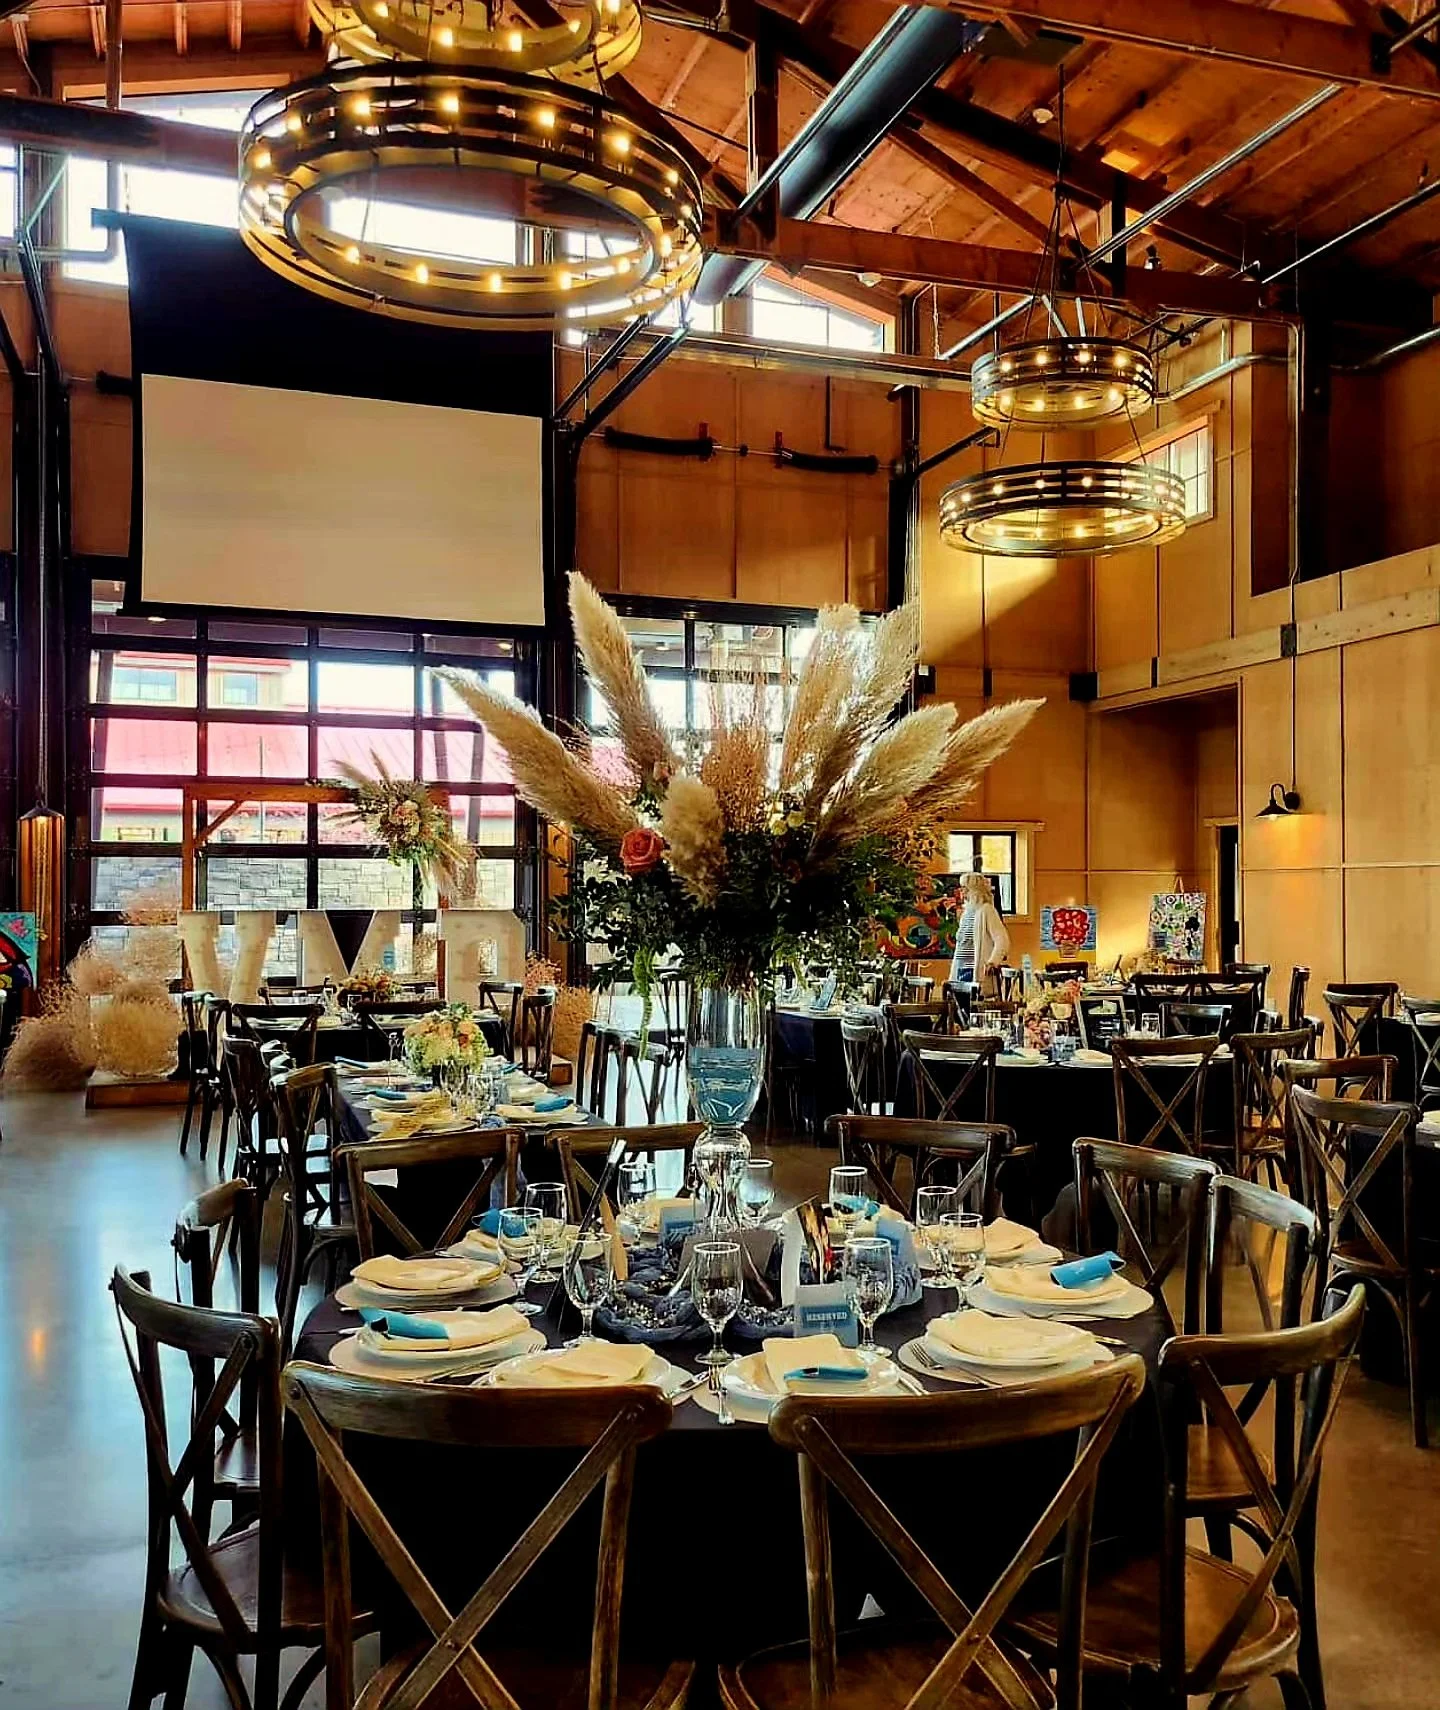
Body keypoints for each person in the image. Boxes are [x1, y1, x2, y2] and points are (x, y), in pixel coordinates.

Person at [948, 872, 1010, 986]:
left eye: (964, 888)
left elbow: (1002, 939)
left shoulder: (986, 910)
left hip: (974, 970)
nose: (961, 892)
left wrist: (993, 962)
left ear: (974, 890)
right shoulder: (966, 912)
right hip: (959, 969)